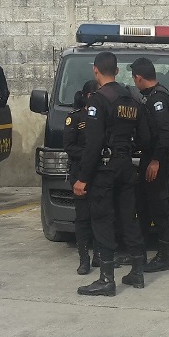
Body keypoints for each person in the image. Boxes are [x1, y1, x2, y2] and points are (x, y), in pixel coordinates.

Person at [75, 51, 146, 297]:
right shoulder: (131, 98)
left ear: (95, 71)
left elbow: (93, 143)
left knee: (102, 219)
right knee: (128, 216)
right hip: (126, 164)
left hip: (104, 168)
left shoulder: (97, 100)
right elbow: (144, 135)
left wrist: (83, 177)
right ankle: (137, 271)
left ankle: (106, 279)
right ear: (117, 71)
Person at [131, 57, 169, 274]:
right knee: (143, 205)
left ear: (139, 78)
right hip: (149, 158)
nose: (134, 82)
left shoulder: (157, 99)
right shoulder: (151, 96)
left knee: (158, 208)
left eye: (134, 79)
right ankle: (138, 252)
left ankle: (163, 256)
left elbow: (166, 131)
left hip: (156, 161)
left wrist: (156, 160)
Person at [64, 80, 97, 275]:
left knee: (100, 217)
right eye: (92, 94)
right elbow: (69, 146)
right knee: (83, 218)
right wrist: (89, 154)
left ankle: (99, 257)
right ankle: (84, 259)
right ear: (85, 96)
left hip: (100, 173)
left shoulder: (104, 115)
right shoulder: (75, 118)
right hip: (80, 173)